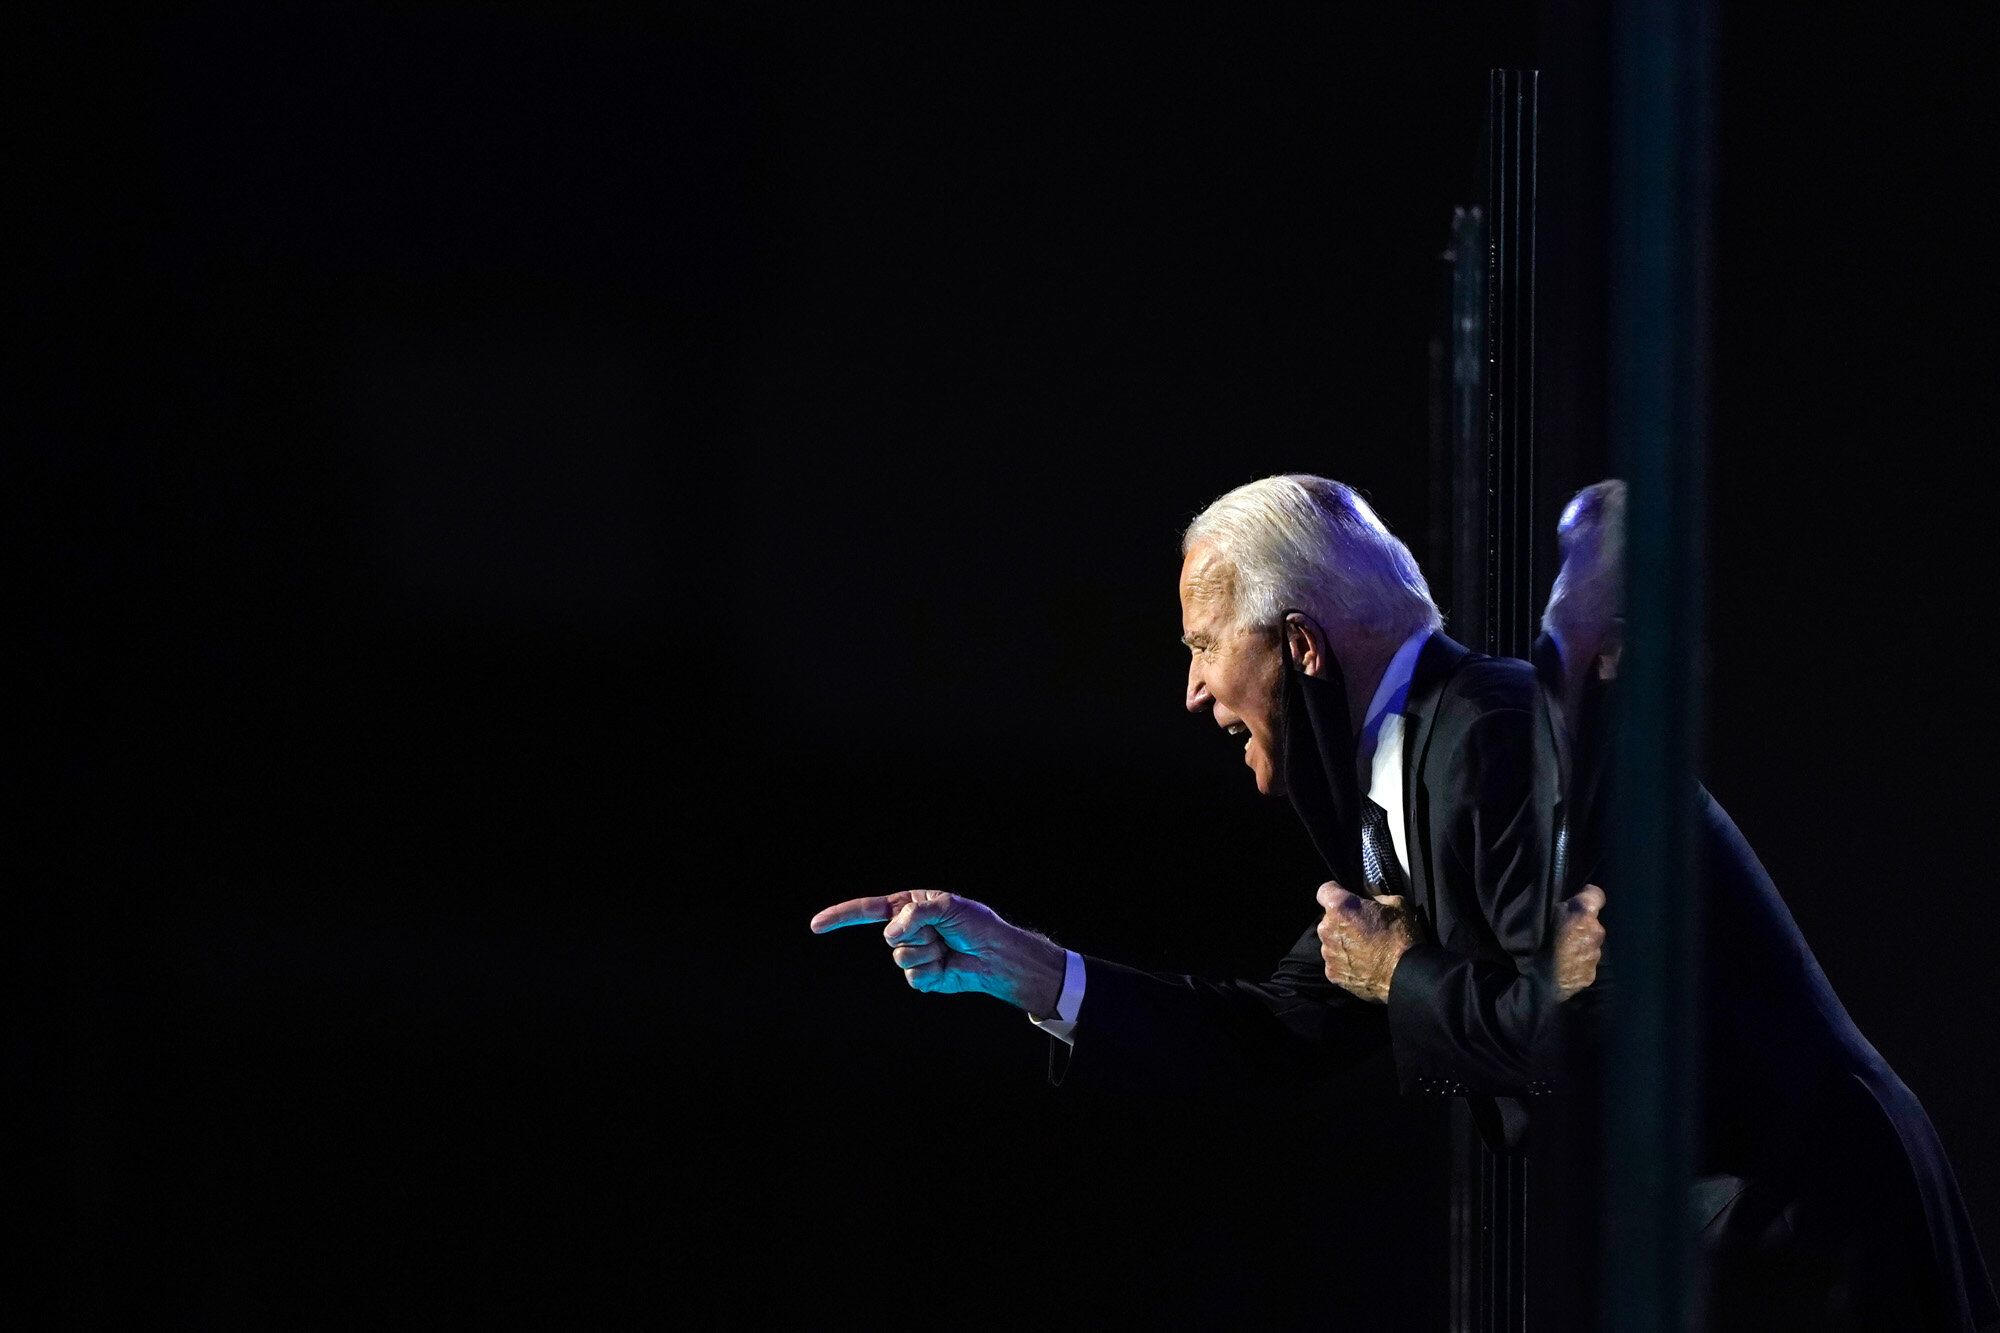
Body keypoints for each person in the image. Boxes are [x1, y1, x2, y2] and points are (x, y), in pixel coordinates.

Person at [812, 475, 1602, 1151]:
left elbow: (1591, 1043)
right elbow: (1271, 1039)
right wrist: (1020, 966)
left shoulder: (1489, 732)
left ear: (1300, 646)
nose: (1193, 691)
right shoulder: (1407, 767)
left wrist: (1395, 971)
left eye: (1204, 645)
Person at [1536, 480, 1998, 1332]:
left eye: (1552, 636)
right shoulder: (1619, 796)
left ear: (1613, 653)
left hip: (1833, 1192)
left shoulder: (1637, 809)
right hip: (1816, 1175)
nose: (1532, 669)